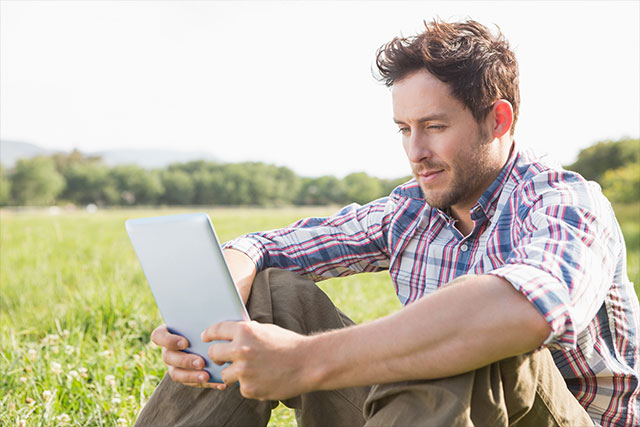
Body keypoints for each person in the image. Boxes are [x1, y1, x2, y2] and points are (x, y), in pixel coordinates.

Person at [135, 19, 639, 426]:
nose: (416, 152)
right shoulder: (411, 210)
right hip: (426, 415)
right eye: (404, 129)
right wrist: (222, 296)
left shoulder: (566, 203)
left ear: (498, 120)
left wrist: (302, 361)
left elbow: (529, 310)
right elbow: (271, 244)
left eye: (435, 127)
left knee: (465, 340)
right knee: (271, 295)